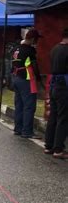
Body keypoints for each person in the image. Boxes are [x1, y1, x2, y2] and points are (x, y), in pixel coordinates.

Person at [11, 29, 43, 139]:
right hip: (26, 79)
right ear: (33, 39)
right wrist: (39, 78)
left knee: (19, 105)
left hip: (15, 77)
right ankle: (27, 131)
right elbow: (34, 66)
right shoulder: (30, 50)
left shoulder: (16, 48)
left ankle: (18, 128)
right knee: (29, 106)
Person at [44, 28, 68, 159]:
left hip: (53, 85)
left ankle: (49, 145)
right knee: (63, 118)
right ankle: (58, 149)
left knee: (53, 116)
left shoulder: (55, 49)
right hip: (63, 86)